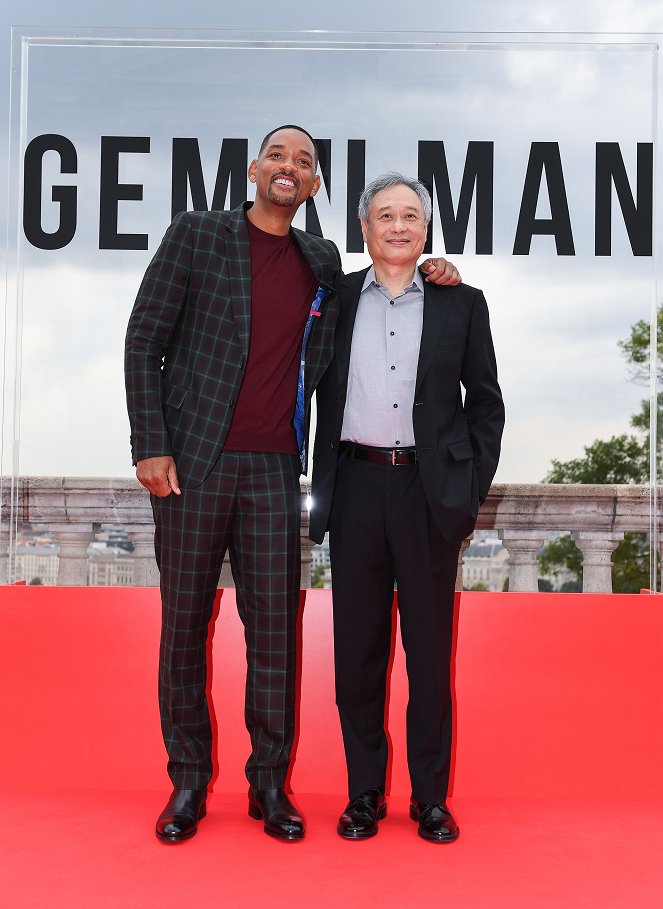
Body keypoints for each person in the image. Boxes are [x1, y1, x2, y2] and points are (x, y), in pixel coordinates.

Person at [124, 128, 460, 844]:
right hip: (192, 465)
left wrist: (437, 271)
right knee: (184, 627)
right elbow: (142, 340)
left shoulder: (321, 259)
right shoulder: (196, 234)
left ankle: (268, 783)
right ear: (253, 169)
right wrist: (149, 443)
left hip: (279, 467)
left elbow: (383, 301)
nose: (288, 168)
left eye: (304, 163)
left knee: (274, 635)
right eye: (277, 156)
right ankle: (187, 780)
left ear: (313, 188)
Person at [309, 172, 504, 843]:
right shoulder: (332, 298)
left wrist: (466, 488)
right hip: (355, 486)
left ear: (425, 229)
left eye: (410, 217)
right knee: (356, 656)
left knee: (428, 656)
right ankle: (363, 793)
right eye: (385, 215)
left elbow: (485, 402)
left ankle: (429, 799)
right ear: (363, 228)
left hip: (428, 495)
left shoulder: (460, 302)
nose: (398, 226)